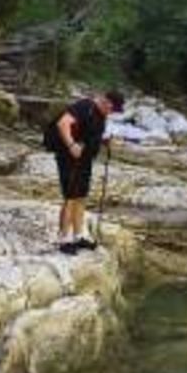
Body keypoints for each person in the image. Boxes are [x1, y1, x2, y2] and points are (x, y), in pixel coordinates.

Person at [52, 88, 124, 255]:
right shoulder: (85, 106)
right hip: (69, 158)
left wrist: (103, 141)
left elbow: (90, 134)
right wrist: (71, 145)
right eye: (113, 108)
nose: (112, 112)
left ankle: (78, 236)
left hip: (84, 160)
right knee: (70, 197)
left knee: (81, 197)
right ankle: (63, 239)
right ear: (106, 102)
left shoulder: (101, 115)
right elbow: (63, 123)